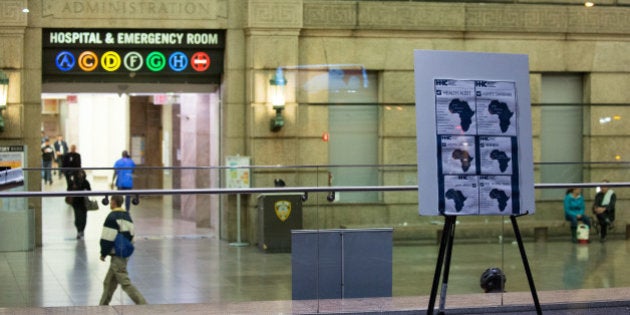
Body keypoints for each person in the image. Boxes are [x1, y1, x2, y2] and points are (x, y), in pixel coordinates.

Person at [98, 195, 147, 305]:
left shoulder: (112, 217)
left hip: (117, 255)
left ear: (114, 202)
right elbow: (132, 235)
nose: (110, 203)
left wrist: (103, 253)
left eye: (111, 201)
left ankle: (143, 304)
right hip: (123, 254)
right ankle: (102, 306)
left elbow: (107, 237)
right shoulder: (127, 216)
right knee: (108, 282)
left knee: (125, 283)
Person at [68, 169, 91, 240]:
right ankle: (79, 230)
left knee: (84, 218)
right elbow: (68, 190)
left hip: (84, 203)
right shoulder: (73, 182)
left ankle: (82, 230)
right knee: (77, 218)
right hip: (76, 203)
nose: (80, 175)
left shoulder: (86, 182)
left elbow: (90, 190)